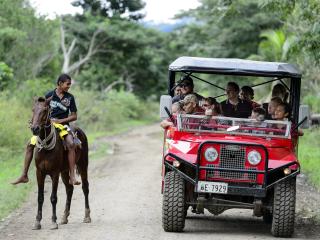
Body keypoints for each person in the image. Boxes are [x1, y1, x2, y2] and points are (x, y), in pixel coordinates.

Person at [12, 74, 81, 186]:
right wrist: (34, 122)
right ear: (60, 83)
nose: (69, 86)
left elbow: (74, 116)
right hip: (48, 125)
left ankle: (72, 176)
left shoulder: (70, 98)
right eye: (67, 84)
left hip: (63, 125)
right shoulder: (49, 95)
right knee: (30, 144)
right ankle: (24, 175)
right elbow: (39, 110)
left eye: (70, 84)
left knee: (70, 143)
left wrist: (60, 120)